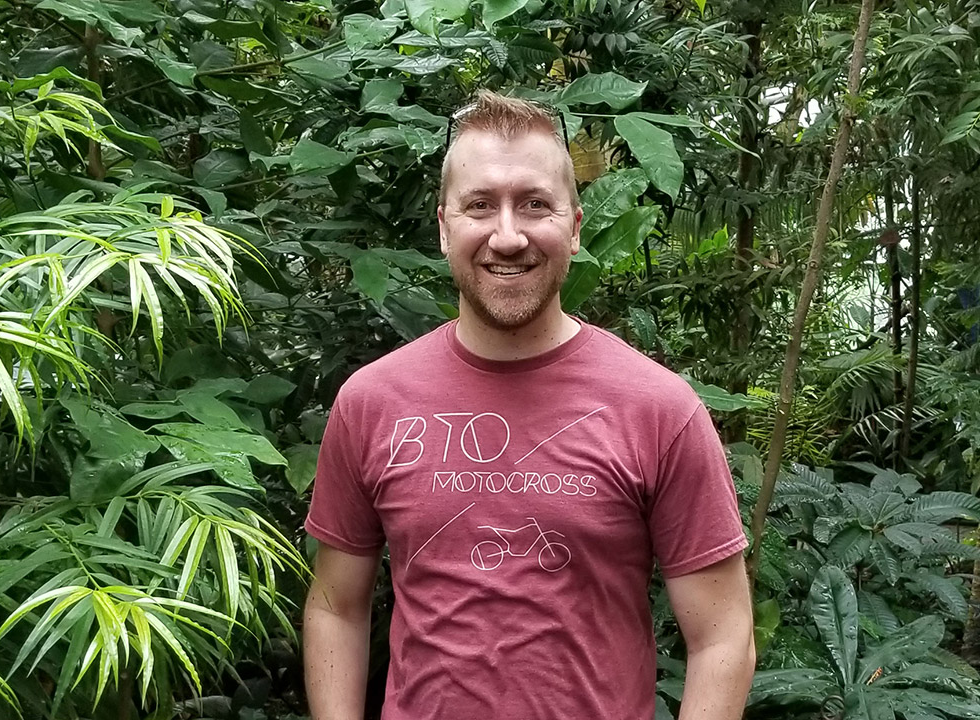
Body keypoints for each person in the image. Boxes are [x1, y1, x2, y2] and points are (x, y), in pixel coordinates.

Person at [302, 90, 755, 720]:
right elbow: (335, 607)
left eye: (535, 205)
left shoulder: (659, 409)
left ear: (573, 226)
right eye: (480, 205)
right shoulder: (372, 402)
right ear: (443, 227)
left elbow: (723, 637)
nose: (508, 236)